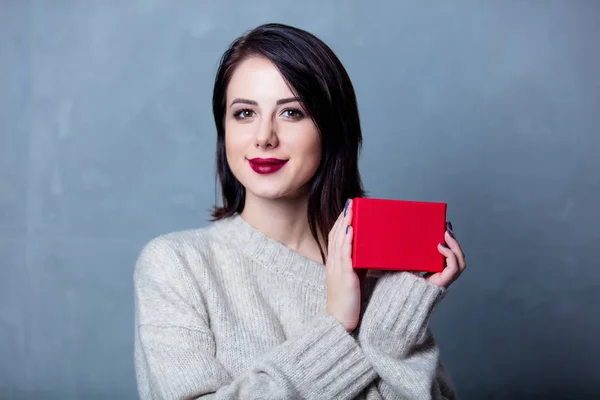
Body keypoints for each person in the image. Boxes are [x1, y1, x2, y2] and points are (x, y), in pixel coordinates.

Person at [134, 22, 466, 399]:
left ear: (330, 129)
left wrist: (394, 327)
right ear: (223, 129)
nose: (264, 136)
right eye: (244, 113)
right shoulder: (177, 265)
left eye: (291, 113)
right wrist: (338, 326)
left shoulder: (381, 270)